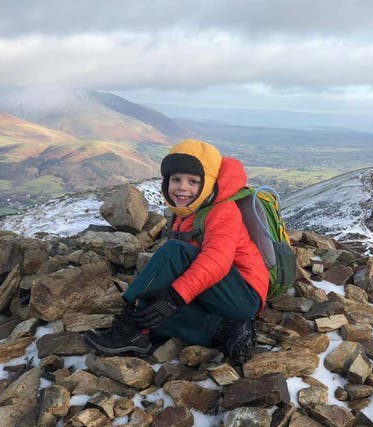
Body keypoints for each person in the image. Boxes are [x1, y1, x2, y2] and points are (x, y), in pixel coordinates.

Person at [84, 139, 269, 364]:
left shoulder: (223, 210)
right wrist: (167, 299)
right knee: (154, 313)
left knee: (174, 253)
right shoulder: (186, 212)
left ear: (208, 184)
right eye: (176, 180)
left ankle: (130, 325)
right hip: (214, 294)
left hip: (242, 295)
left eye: (193, 181)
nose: (183, 187)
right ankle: (227, 333)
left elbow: (217, 260)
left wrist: (175, 295)